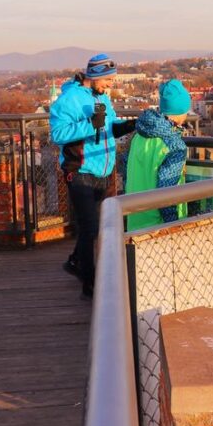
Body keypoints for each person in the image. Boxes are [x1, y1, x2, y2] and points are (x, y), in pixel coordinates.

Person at [50, 53, 136, 298]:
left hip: (105, 171)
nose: (111, 85)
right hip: (80, 172)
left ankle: (76, 261)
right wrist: (90, 124)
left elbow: (109, 127)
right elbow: (57, 134)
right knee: (89, 229)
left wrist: (130, 126)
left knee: (101, 227)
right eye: (108, 80)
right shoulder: (69, 99)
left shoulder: (102, 98)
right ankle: (90, 285)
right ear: (96, 75)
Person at [125, 80, 191, 230]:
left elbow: (126, 172)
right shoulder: (174, 145)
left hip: (134, 218)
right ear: (180, 112)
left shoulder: (139, 135)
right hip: (158, 226)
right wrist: (173, 225)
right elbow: (166, 191)